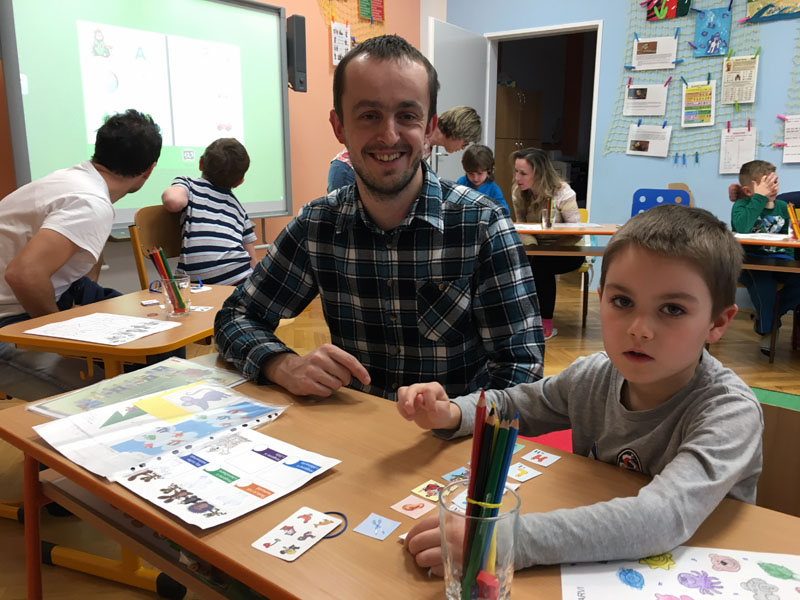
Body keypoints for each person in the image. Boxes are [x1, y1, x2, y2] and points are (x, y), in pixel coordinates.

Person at [398, 204, 763, 572]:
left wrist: (499, 541)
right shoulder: (592, 376)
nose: (639, 329)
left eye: (672, 309)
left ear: (718, 322)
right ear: (601, 297)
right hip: (602, 563)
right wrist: (453, 412)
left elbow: (663, 516)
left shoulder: (730, 412)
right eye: (622, 301)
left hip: (703, 569)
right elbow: (512, 405)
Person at [215, 34, 544, 401]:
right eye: (369, 115)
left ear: (429, 127)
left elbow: (522, 365)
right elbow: (236, 316)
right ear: (339, 126)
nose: (388, 136)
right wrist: (282, 364)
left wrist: (458, 416)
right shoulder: (317, 225)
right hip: (353, 427)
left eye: (407, 116)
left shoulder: (482, 224)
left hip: (454, 432)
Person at [0, 109, 162, 400]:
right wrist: (65, 339)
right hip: (10, 318)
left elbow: (82, 261)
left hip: (54, 293)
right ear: (148, 170)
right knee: (105, 397)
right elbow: (23, 275)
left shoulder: (73, 180)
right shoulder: (90, 202)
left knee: (156, 339)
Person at [162, 138, 257, 285]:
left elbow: (173, 201)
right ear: (239, 182)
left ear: (200, 163)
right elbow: (251, 255)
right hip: (239, 279)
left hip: (203, 286)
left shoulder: (189, 185)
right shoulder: (238, 207)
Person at [511, 147, 584, 340]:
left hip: (568, 251)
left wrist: (548, 249)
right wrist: (535, 248)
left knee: (540, 265)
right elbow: (523, 228)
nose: (517, 178)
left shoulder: (564, 193)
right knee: (512, 262)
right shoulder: (518, 192)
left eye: (523, 173)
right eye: (516, 171)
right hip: (536, 250)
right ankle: (521, 318)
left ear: (539, 174)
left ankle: (545, 323)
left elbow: (576, 232)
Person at [729, 160, 800, 355]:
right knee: (764, 285)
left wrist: (789, 260)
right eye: (767, 184)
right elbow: (742, 227)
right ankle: (767, 329)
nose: (773, 187)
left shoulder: (783, 206)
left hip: (780, 260)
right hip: (751, 261)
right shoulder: (742, 206)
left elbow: (788, 238)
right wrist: (758, 199)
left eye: (775, 182)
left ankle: (769, 320)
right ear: (748, 190)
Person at [326, 105, 482, 192]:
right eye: (465, 142)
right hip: (349, 170)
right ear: (458, 132)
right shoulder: (418, 133)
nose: (463, 147)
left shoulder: (428, 146)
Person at [456, 144, 508, 214]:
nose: (475, 178)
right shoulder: (461, 183)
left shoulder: (494, 189)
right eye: (470, 173)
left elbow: (504, 212)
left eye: (479, 173)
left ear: (489, 170)